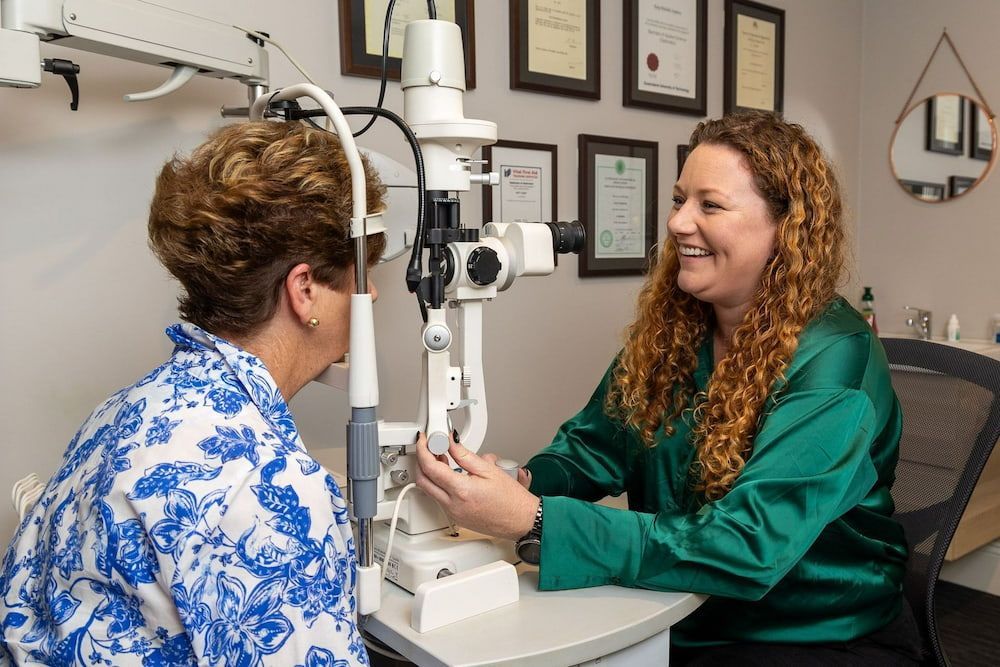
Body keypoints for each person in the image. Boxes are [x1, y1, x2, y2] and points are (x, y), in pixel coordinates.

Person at [415, 111, 925, 664]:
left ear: (787, 227)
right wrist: (525, 480)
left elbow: (748, 546)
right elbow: (594, 447)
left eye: (710, 205)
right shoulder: (678, 328)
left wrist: (536, 519)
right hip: (677, 608)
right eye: (679, 199)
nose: (679, 222)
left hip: (806, 633)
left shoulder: (835, 358)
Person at [0, 121, 385, 666]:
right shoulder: (268, 492)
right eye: (358, 276)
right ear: (304, 291)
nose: (372, 294)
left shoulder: (128, 408)